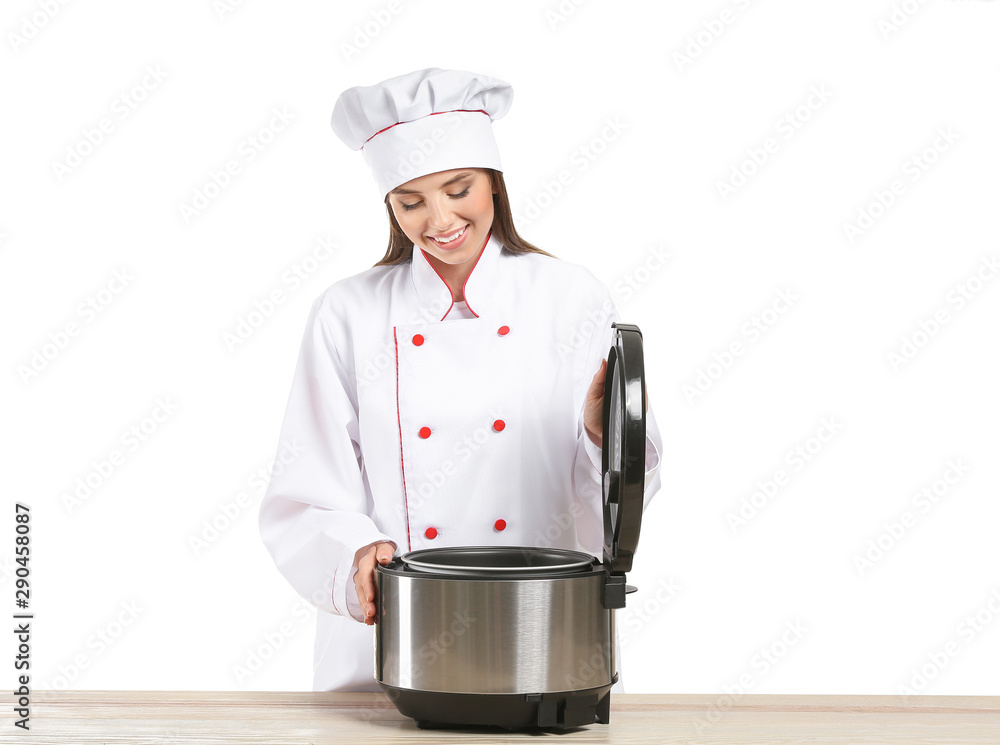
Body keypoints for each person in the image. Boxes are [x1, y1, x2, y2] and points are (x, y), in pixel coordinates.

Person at [258, 67, 664, 692]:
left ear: (494, 186)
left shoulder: (569, 297)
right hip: (387, 641)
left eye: (458, 188)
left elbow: (624, 489)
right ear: (389, 205)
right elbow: (305, 488)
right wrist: (356, 557)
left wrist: (598, 431)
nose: (439, 218)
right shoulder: (349, 311)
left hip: (540, 639)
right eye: (411, 201)